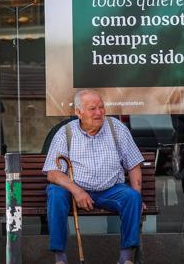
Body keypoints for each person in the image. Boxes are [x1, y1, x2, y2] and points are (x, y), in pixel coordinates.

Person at [43, 89, 144, 264]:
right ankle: (60, 258)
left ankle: (126, 258)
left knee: (132, 197)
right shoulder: (65, 133)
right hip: (75, 192)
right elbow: (53, 173)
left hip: (110, 189)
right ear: (78, 112)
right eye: (92, 109)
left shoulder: (116, 128)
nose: (99, 113)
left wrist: (138, 194)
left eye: (101, 107)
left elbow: (133, 164)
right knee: (55, 193)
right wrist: (77, 191)